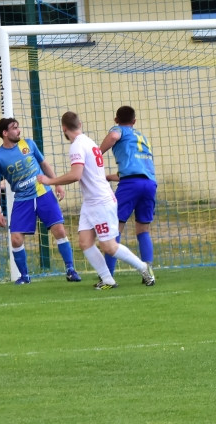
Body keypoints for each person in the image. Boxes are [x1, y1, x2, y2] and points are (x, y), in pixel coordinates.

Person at [36, 111, 155, 290]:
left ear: (64, 128)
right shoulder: (89, 142)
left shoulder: (77, 145)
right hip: (91, 202)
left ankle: (144, 268)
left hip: (100, 201)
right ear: (80, 124)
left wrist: (49, 181)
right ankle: (108, 279)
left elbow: (76, 175)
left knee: (109, 245)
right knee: (85, 242)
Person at [0, 117, 82, 285]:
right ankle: (24, 276)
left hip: (43, 193)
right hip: (22, 199)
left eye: (18, 127)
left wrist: (57, 184)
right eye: (14, 128)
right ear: (4, 133)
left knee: (59, 230)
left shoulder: (28, 144)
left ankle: (70, 270)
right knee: (16, 238)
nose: (18, 130)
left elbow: (44, 164)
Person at [99, 106, 157, 278]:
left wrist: (97, 153)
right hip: (149, 183)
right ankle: (148, 271)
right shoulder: (142, 137)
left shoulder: (118, 130)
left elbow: (113, 136)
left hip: (131, 184)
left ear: (116, 120)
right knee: (143, 229)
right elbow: (135, 169)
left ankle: (108, 274)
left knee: (114, 229)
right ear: (134, 121)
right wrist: (109, 177)